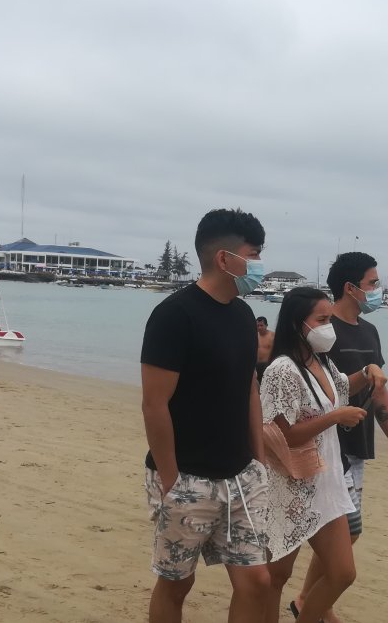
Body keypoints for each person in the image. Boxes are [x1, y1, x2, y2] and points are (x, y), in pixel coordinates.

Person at [140, 208, 270, 623]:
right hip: (188, 478)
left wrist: (259, 460)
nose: (260, 265)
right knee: (177, 583)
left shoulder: (244, 314)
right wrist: (170, 478)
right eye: (255, 254)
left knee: (257, 583)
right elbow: (154, 403)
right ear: (225, 259)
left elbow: (249, 388)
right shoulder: (175, 315)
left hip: (241, 478)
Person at [293, 251, 388, 622]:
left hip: (357, 447)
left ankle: (308, 600)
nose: (378, 290)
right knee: (341, 531)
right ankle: (315, 605)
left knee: (346, 532)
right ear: (350, 287)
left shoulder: (370, 331)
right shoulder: (324, 331)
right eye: (373, 283)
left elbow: (379, 393)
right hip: (324, 446)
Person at [260, 287, 386, 623]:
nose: (328, 327)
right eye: (322, 319)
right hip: (290, 488)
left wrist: (369, 370)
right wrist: (334, 417)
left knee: (343, 573)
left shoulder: (321, 362)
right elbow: (285, 436)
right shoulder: (281, 371)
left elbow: (342, 387)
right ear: (297, 323)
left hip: (326, 484)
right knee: (275, 577)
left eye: (329, 318)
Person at [255, 316, 274, 381]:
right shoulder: (254, 336)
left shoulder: (273, 336)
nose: (259, 327)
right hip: (256, 365)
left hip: (268, 365)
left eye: (261, 325)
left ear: (266, 325)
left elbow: (278, 350)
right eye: (258, 325)